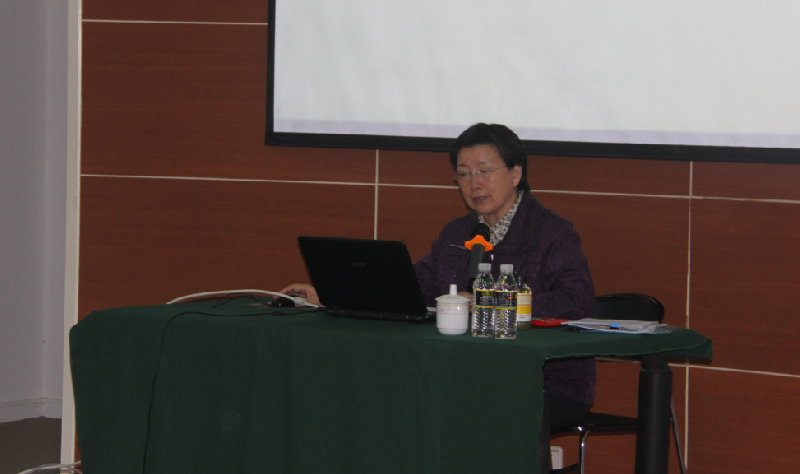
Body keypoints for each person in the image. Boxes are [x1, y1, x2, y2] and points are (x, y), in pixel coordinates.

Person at [282, 123, 596, 430]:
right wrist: (331, 293)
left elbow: (575, 301)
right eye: (464, 174)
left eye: (485, 171)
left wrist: (488, 302)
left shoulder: (551, 233)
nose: (474, 183)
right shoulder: (457, 233)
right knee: (382, 399)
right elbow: (409, 287)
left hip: (543, 380)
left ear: (515, 174)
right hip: (463, 374)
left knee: (464, 413)